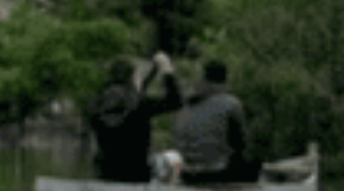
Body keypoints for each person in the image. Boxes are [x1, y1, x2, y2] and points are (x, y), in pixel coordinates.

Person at [87, 52, 183, 183]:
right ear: (131, 77)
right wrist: (167, 71)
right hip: (138, 174)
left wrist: (142, 86)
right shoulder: (140, 103)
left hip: (105, 172)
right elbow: (175, 102)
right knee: (174, 157)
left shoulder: (95, 102)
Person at [173, 60, 260, 183]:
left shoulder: (184, 105)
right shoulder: (230, 103)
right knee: (254, 161)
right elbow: (242, 142)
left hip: (188, 173)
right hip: (219, 172)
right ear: (226, 78)